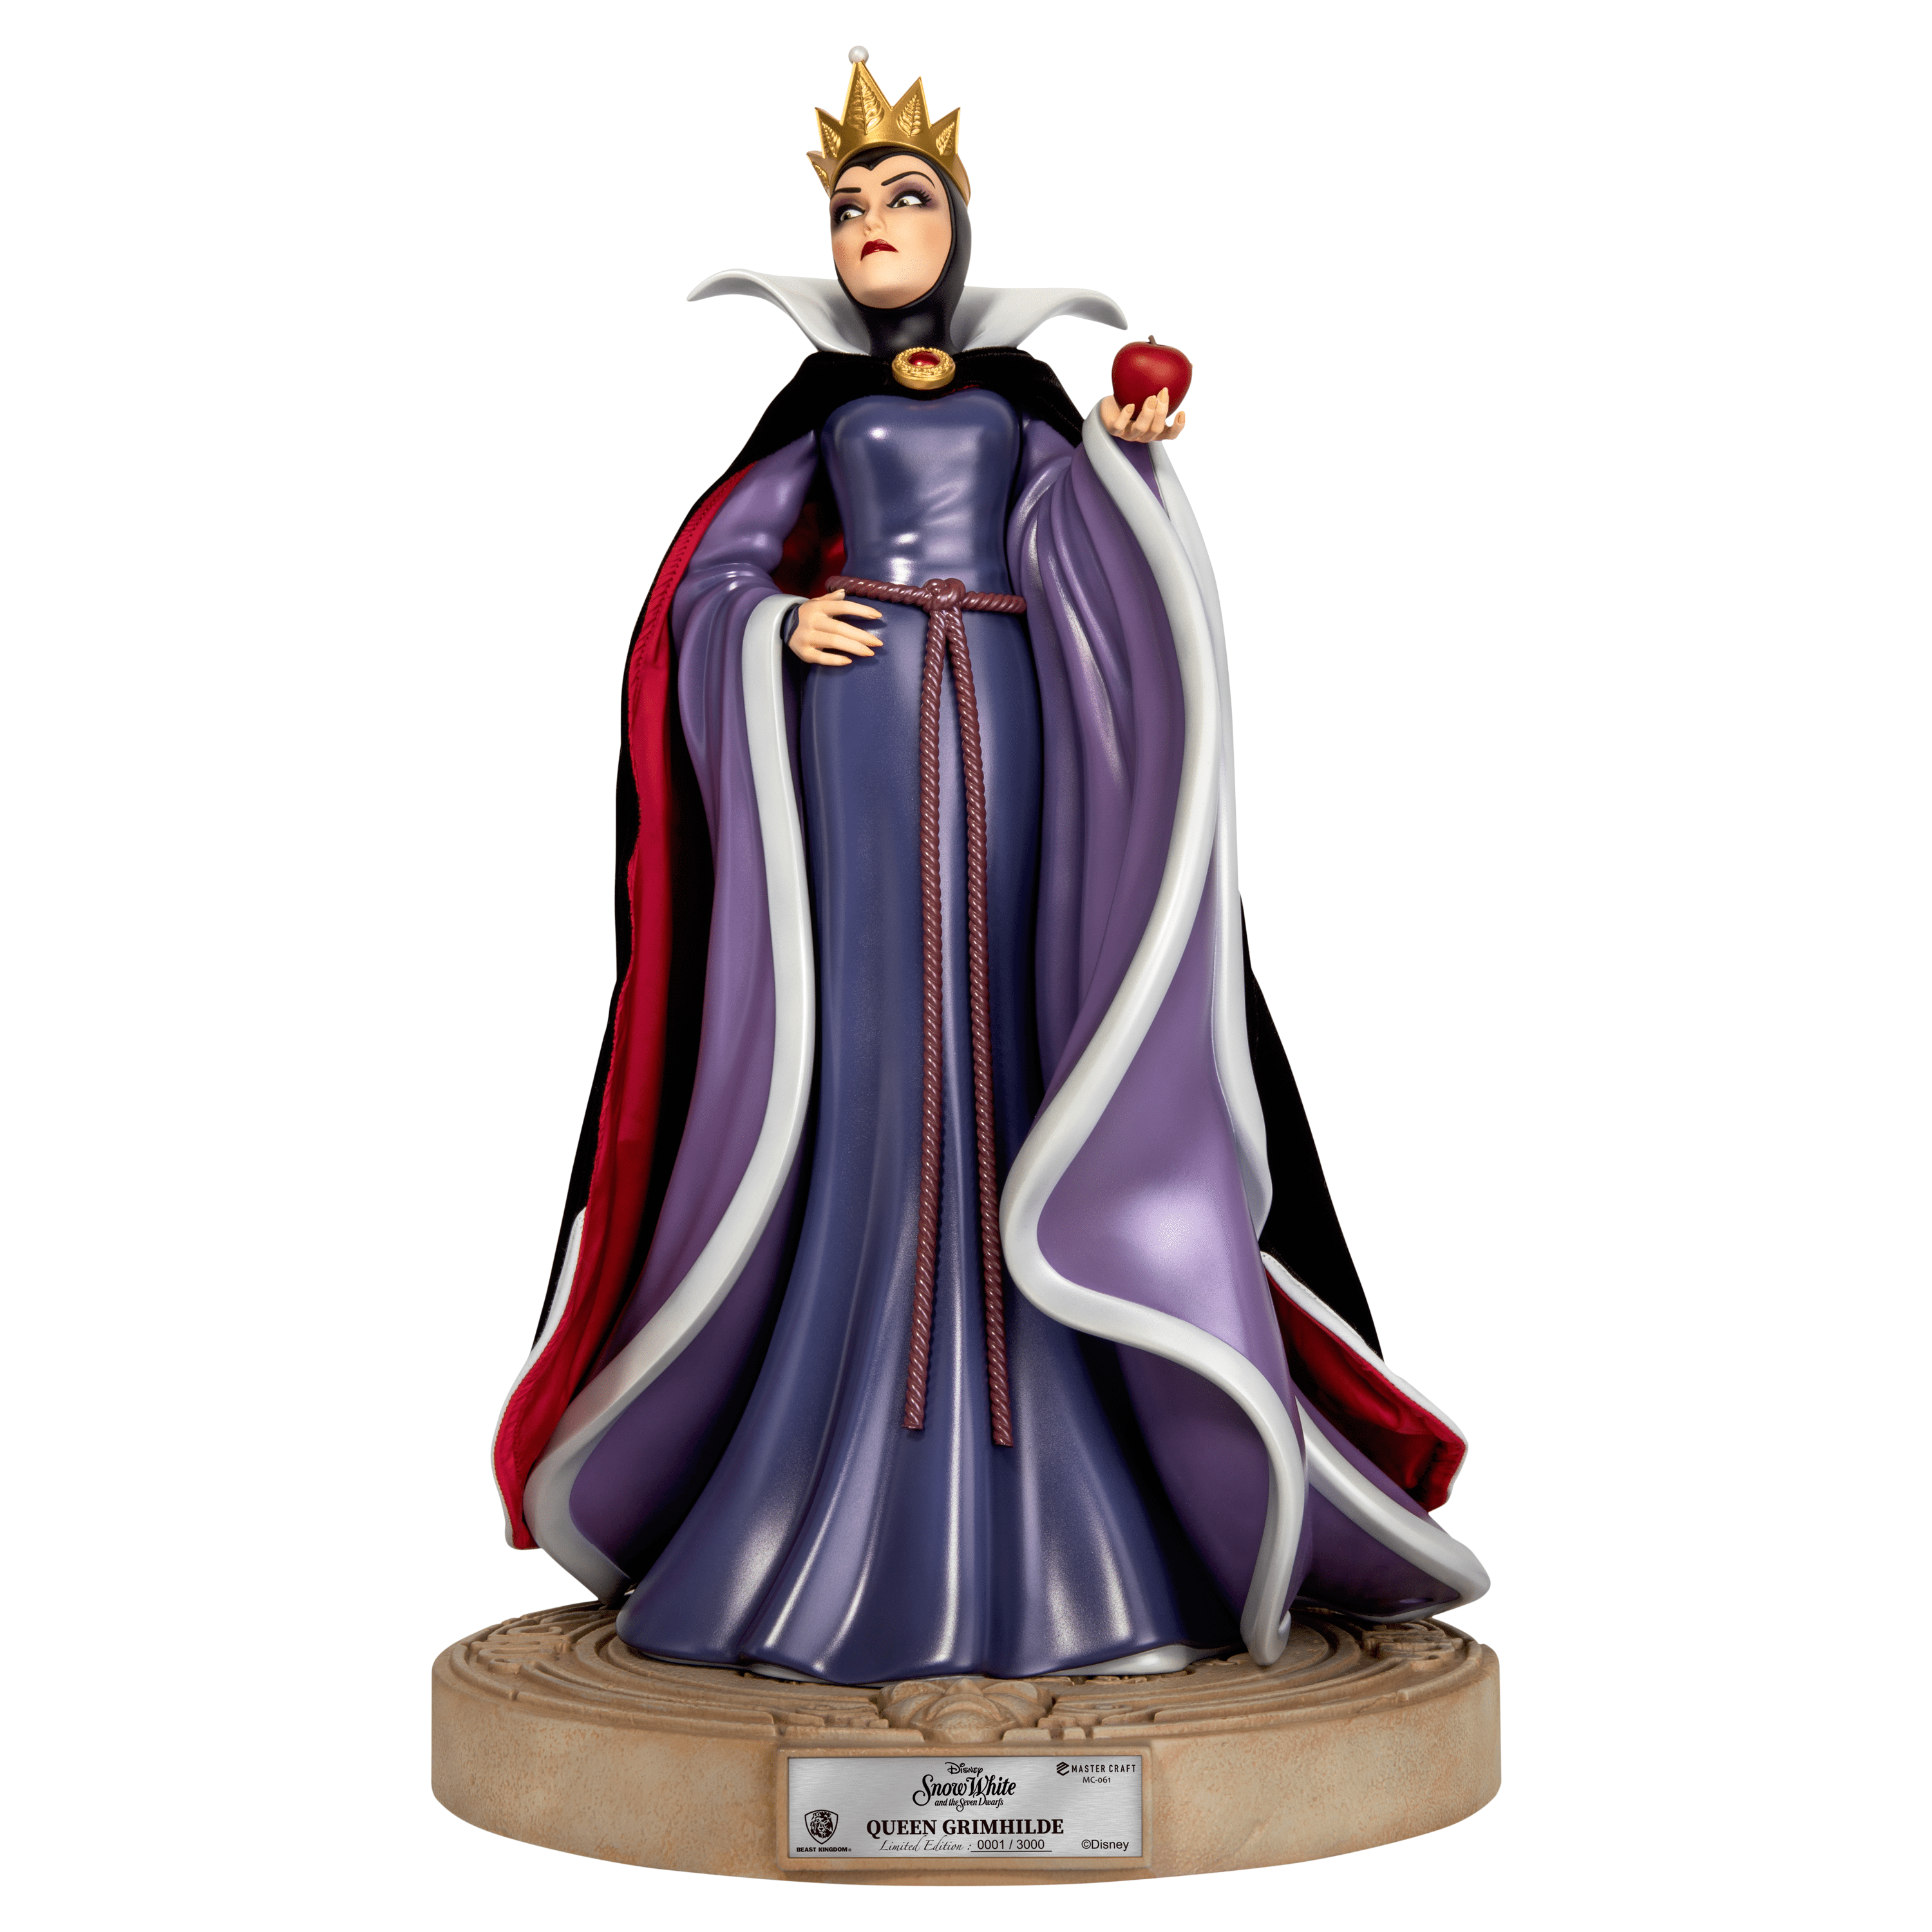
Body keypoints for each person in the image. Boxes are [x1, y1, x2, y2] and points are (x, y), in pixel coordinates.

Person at [491, 53, 1486, 1685]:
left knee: (1018, 1037)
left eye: (905, 197)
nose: (874, 224)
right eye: (849, 206)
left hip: (1014, 729)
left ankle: (1072, 1462)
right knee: (878, 1067)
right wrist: (772, 624)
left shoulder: (1021, 405)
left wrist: (1126, 451)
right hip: (859, 739)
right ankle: (838, 1450)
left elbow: (1090, 545)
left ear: (959, 226)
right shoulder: (824, 416)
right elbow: (705, 584)